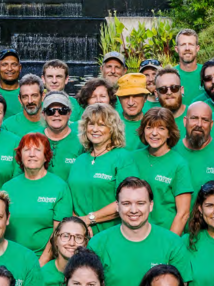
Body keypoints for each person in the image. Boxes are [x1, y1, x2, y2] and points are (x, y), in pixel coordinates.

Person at [88, 178, 192, 286]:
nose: (133, 210)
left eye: (140, 203)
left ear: (151, 205)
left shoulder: (173, 243)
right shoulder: (98, 243)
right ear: (117, 206)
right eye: (126, 203)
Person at [66, 104, 136, 235]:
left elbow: (128, 201)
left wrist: (88, 219)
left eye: (101, 125)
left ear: (112, 128)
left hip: (112, 233)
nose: (95, 129)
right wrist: (78, 223)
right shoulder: (80, 160)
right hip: (80, 235)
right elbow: (70, 198)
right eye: (91, 124)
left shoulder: (123, 158)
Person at [3, 133, 72, 261]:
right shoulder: (7, 188)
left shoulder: (59, 187)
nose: (32, 154)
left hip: (43, 259)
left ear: (46, 156)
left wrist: (41, 263)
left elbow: (59, 232)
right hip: (10, 258)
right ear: (20, 155)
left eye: (37, 150)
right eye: (27, 150)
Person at [132, 108, 192, 235]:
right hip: (133, 233)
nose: (154, 133)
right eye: (149, 128)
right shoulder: (132, 158)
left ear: (169, 133)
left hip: (164, 233)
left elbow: (183, 213)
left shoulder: (179, 164)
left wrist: (170, 242)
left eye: (161, 128)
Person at [39, 217, 89, 286]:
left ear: (85, 242)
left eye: (78, 237)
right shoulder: (43, 275)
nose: (71, 243)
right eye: (65, 236)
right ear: (56, 240)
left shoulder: (92, 273)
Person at [42, 92, 85, 180]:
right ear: (44, 114)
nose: (56, 114)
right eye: (50, 111)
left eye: (62, 110)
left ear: (69, 113)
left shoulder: (82, 141)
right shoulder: (33, 139)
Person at [115, 73, 150, 151]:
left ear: (145, 98)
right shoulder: (111, 122)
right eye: (125, 97)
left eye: (136, 96)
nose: (131, 103)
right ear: (119, 99)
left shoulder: (152, 123)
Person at [152, 69, 187, 134]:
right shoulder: (150, 120)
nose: (169, 92)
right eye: (163, 89)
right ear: (156, 94)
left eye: (174, 88)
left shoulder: (195, 116)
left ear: (182, 90)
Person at [174, 29, 204, 103]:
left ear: (197, 48)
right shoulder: (170, 75)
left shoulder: (207, 73)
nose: (187, 48)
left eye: (191, 44)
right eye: (183, 45)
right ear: (177, 49)